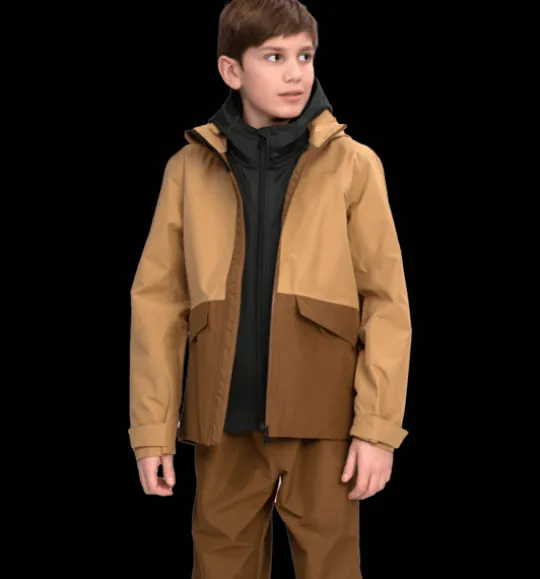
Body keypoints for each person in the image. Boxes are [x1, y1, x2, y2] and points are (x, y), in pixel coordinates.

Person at [128, 0, 412, 576]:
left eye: (305, 56)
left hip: (326, 423)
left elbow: (385, 303)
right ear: (231, 70)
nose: (295, 73)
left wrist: (377, 431)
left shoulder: (354, 165)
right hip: (222, 425)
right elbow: (158, 304)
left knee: (331, 567)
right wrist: (152, 431)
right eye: (274, 57)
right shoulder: (188, 169)